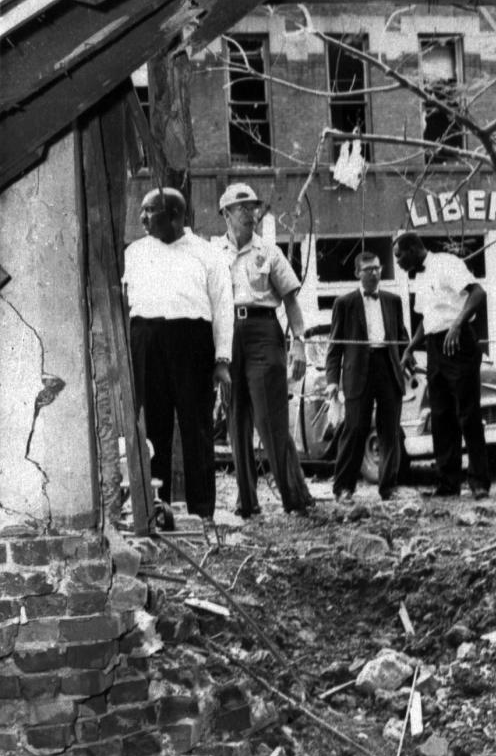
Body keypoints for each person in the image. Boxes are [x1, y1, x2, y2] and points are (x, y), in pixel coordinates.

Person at [123, 187, 233, 539]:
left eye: (149, 211)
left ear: (174, 215)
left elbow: (223, 306)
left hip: (192, 343)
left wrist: (222, 359)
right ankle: (157, 509)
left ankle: (203, 513)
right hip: (147, 341)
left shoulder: (207, 253)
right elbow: (125, 303)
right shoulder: (134, 253)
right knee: (153, 430)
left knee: (196, 427)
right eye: (141, 211)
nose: (142, 218)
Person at [212, 183, 314, 518]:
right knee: (235, 417)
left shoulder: (269, 252)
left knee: (271, 417)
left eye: (253, 207)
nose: (249, 213)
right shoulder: (213, 253)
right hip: (227, 334)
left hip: (263, 332)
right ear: (225, 213)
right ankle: (247, 502)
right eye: (241, 207)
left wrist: (299, 343)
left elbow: (291, 300)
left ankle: (295, 498)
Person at [393, 230, 490, 499]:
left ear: (413, 249)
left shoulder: (447, 263)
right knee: (441, 416)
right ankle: (448, 483)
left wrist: (458, 325)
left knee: (467, 413)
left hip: (459, 344)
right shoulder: (420, 277)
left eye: (399, 256)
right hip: (435, 348)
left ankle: (479, 482)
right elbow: (428, 318)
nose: (398, 263)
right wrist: (411, 347)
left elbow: (478, 293)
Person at [325, 251, 409, 503]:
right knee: (354, 429)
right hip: (358, 372)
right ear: (357, 274)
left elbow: (402, 338)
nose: (374, 273)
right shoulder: (345, 303)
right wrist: (332, 382)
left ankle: (388, 487)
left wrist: (408, 359)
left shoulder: (393, 301)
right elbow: (335, 347)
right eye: (368, 269)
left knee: (390, 430)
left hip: (388, 368)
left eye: (377, 268)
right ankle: (343, 488)